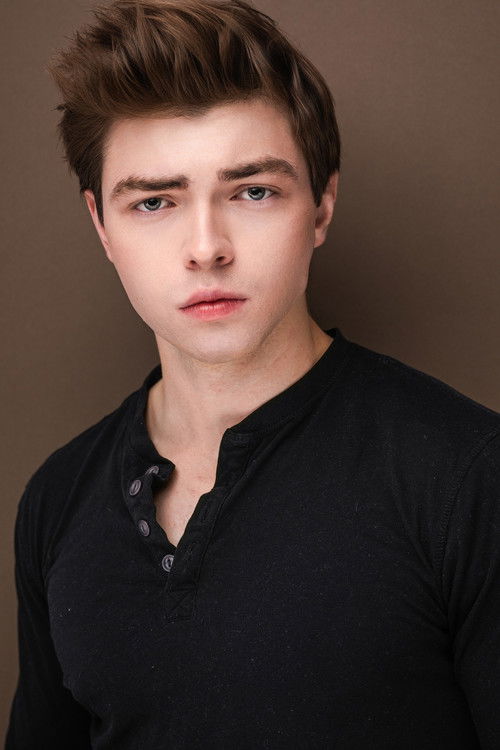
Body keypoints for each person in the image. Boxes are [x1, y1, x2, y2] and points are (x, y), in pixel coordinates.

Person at [6, 0, 500, 747]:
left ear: (322, 206)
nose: (207, 247)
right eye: (154, 202)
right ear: (101, 225)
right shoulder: (58, 498)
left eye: (253, 192)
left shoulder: (468, 477)